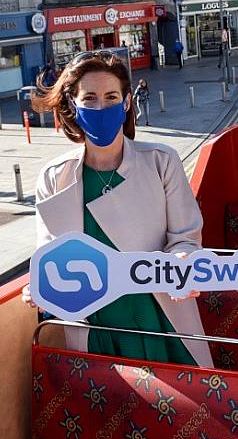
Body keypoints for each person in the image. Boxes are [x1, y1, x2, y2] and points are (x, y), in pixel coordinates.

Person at [25, 52, 212, 366]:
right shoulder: (53, 177)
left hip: (160, 318)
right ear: (72, 104)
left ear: (127, 103)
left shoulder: (161, 161)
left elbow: (185, 238)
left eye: (111, 97)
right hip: (95, 327)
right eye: (90, 98)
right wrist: (40, 286)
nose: (102, 107)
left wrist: (182, 260)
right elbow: (52, 256)